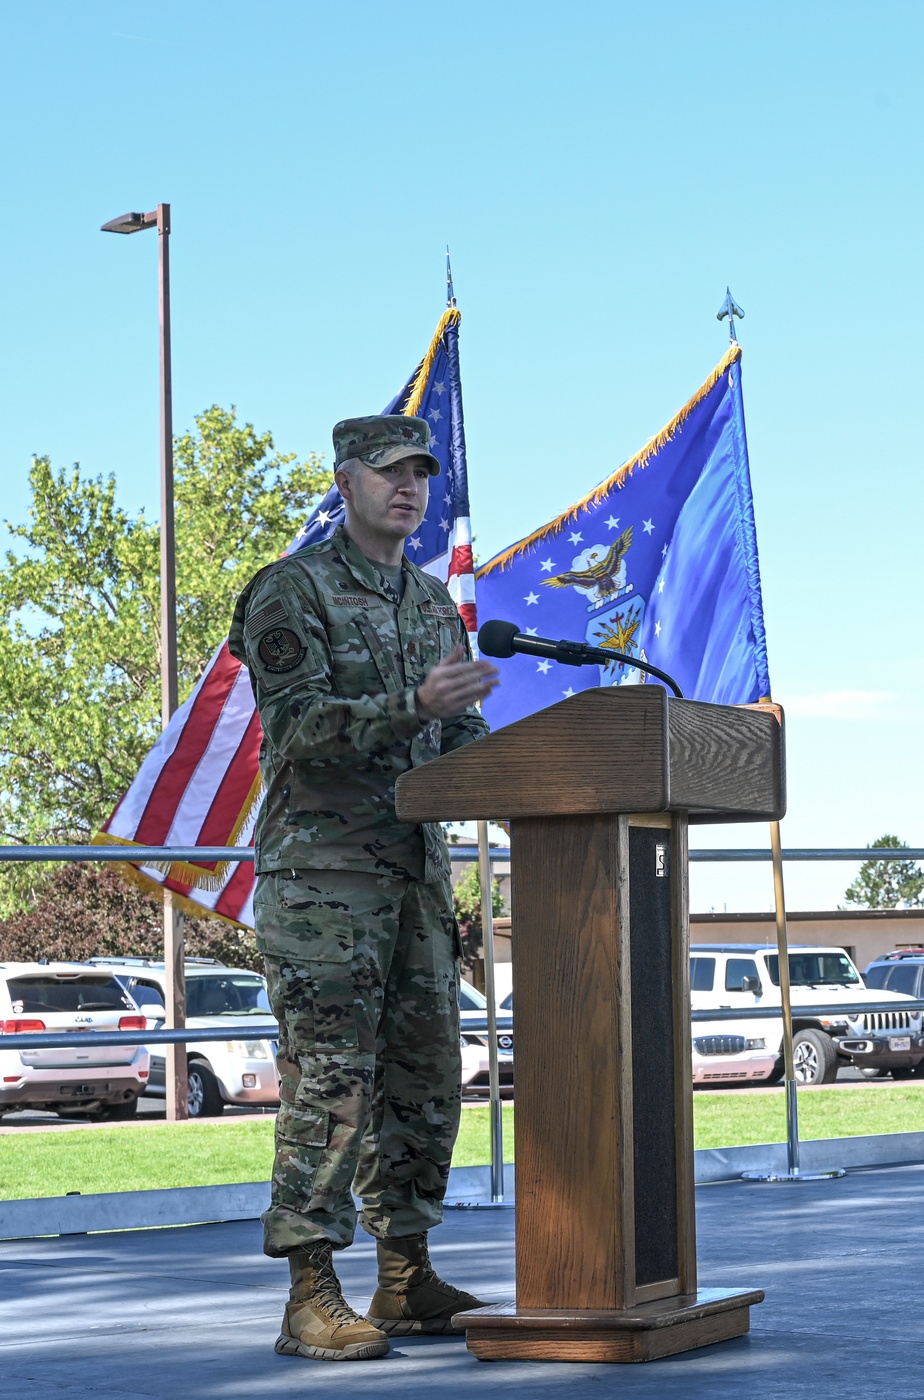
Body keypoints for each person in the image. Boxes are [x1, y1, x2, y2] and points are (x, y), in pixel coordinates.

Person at [228, 414, 500, 1363]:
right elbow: (298, 728)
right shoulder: (289, 591)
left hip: (417, 879)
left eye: (421, 472)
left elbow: (456, 743)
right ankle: (311, 1292)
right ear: (345, 482)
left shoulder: (433, 603)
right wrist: (411, 706)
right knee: (331, 1083)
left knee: (426, 1081)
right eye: (388, 472)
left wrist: (533, 784)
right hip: (324, 881)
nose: (409, 488)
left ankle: (405, 1277)